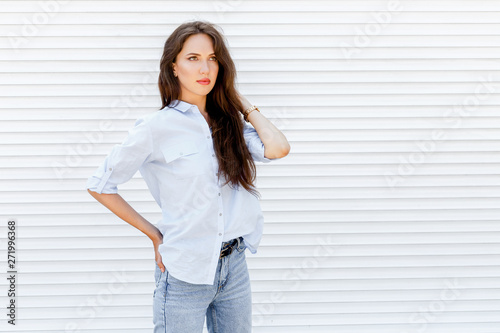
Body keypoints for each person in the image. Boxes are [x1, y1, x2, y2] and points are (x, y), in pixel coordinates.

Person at [86, 20, 290, 332]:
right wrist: (154, 234)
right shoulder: (156, 128)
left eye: (213, 59)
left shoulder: (231, 124)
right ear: (174, 67)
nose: (204, 68)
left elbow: (278, 148)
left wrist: (241, 103)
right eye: (192, 58)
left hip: (234, 267)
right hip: (184, 271)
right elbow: (101, 185)